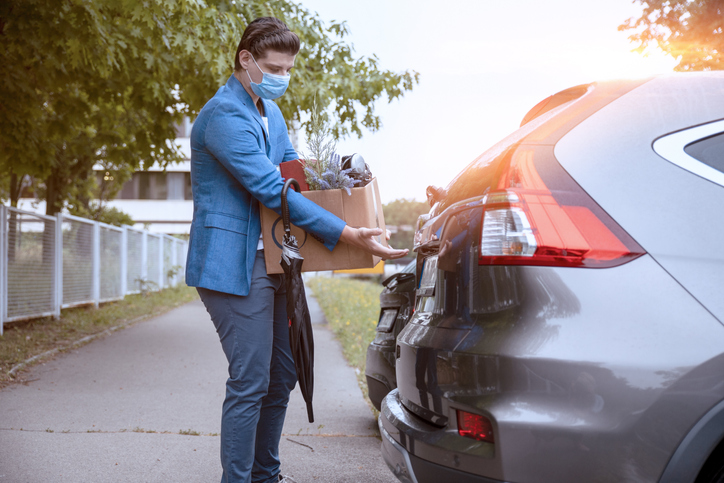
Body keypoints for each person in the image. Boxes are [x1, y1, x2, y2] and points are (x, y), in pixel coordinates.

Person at [185, 17, 408, 483]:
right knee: (250, 380)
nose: (282, 77)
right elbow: (273, 190)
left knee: (283, 373)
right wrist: (345, 231)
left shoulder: (269, 109)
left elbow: (293, 175)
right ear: (245, 60)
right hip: (232, 265)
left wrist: (340, 184)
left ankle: (267, 475)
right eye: (273, 67)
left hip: (273, 261)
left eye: (288, 69)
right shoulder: (224, 115)